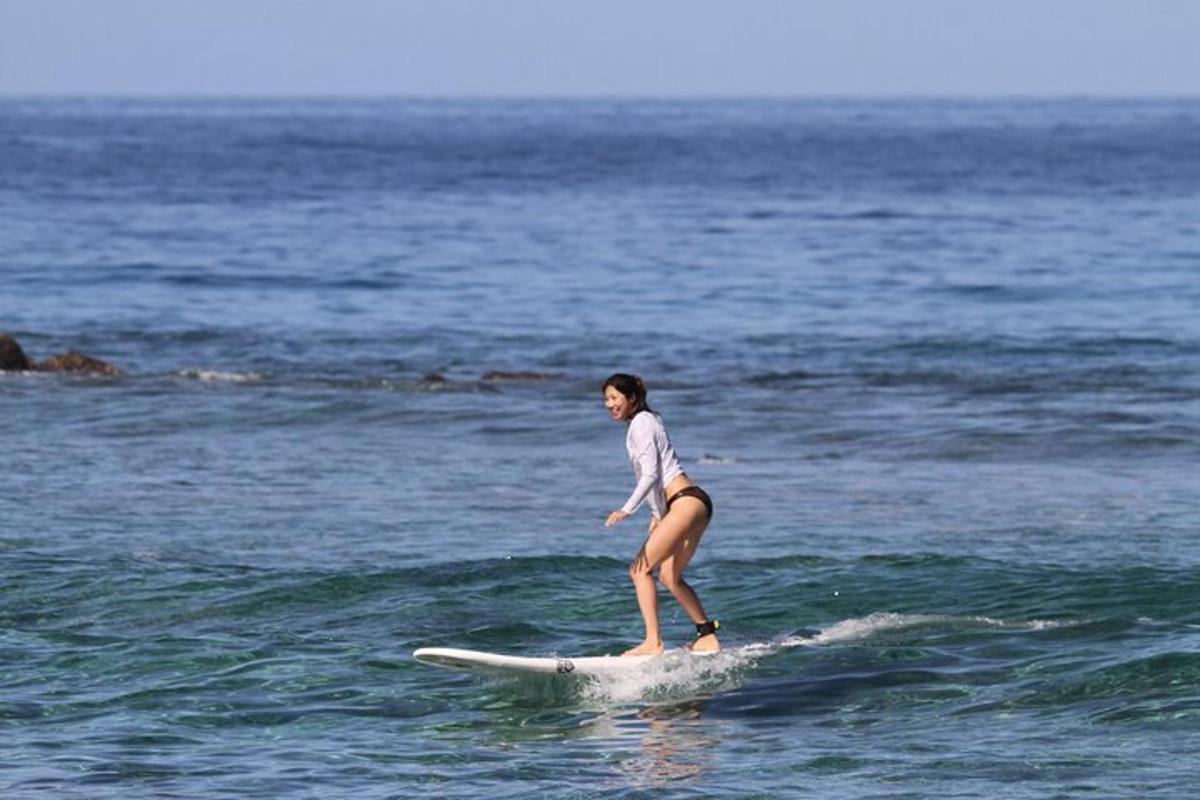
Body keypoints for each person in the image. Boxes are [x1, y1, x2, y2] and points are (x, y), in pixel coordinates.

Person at [602, 373, 720, 656]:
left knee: (639, 570)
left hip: (683, 502)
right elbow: (661, 472)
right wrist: (658, 514)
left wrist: (626, 509)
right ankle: (707, 635)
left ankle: (652, 642)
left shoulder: (641, 424)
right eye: (606, 399)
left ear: (631, 398)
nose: (609, 404)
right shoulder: (651, 420)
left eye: (614, 398)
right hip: (695, 503)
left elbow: (651, 474)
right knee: (669, 575)